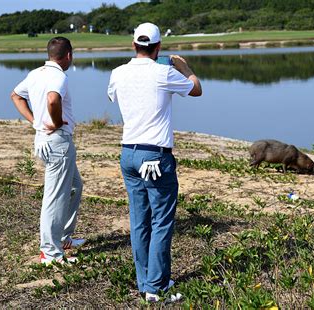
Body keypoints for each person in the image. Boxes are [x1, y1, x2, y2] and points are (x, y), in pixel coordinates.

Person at [107, 22, 202, 302]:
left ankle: (145, 280)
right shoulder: (164, 72)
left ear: (134, 45)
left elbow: (113, 96)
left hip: (129, 154)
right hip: (155, 156)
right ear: (158, 47)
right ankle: (156, 286)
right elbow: (196, 89)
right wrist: (183, 67)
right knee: (161, 220)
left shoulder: (117, 73)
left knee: (139, 220)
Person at [10, 37, 85, 264]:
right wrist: (57, 121)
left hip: (42, 140)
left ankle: (63, 238)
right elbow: (53, 100)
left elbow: (15, 95)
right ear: (68, 56)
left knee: (75, 186)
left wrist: (34, 120)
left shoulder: (35, 74)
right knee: (55, 198)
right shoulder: (58, 76)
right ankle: (50, 254)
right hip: (57, 142)